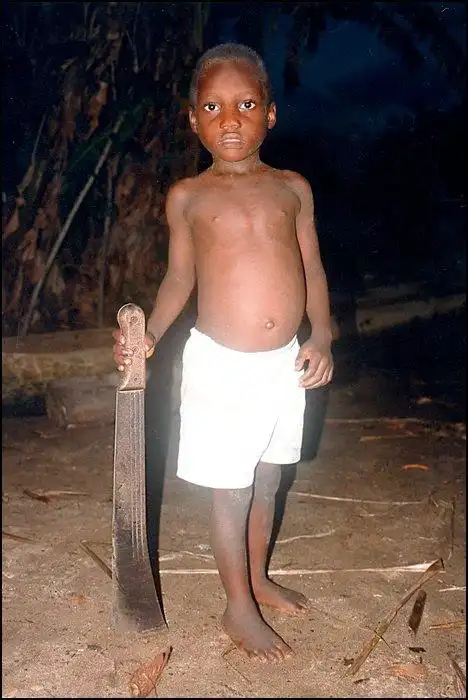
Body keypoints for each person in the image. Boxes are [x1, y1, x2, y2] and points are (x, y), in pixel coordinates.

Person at [113, 43, 334, 663]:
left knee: (269, 478)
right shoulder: (188, 196)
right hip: (222, 365)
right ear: (193, 119)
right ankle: (237, 605)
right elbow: (178, 278)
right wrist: (151, 334)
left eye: (246, 105)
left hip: (283, 363)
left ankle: (258, 580)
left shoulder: (293, 189)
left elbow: (313, 269)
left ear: (270, 113)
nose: (230, 119)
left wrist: (321, 335)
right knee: (231, 489)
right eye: (212, 107)